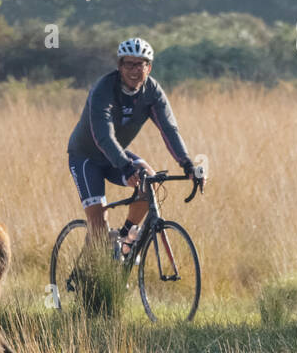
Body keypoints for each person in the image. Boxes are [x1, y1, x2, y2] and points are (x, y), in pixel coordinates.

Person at [66, 37, 203, 254]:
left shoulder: (152, 92)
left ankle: (125, 237)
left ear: (149, 67)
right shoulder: (104, 89)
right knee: (99, 221)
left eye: (140, 64)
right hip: (86, 156)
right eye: (129, 64)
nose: (134, 70)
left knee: (149, 181)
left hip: (116, 155)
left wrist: (186, 164)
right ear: (119, 66)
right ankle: (94, 275)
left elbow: (169, 129)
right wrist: (125, 166)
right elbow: (103, 136)